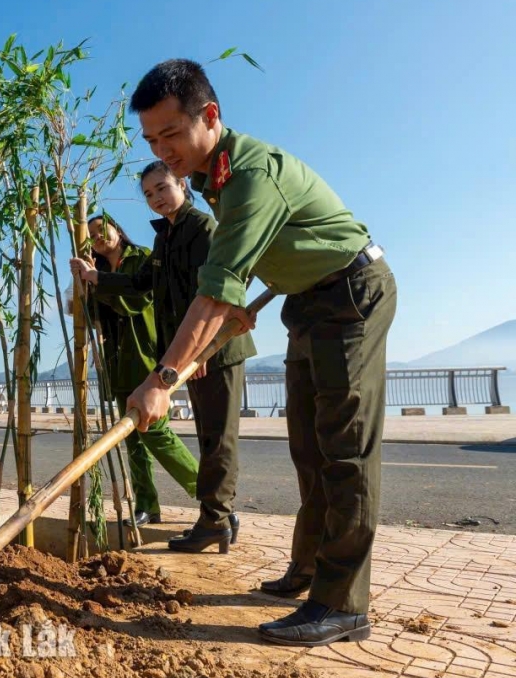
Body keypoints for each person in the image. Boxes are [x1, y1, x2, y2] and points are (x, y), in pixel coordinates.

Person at [122, 59, 396, 646]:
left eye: (171, 134)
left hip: (351, 294)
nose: (162, 150)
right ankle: (308, 571)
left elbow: (216, 286)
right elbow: (282, 244)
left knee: (345, 451)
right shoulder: (212, 178)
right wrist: (260, 299)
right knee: (309, 447)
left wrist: (162, 378)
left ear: (209, 116)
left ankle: (343, 604)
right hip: (307, 300)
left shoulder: (249, 176)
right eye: (150, 139)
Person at [75, 164, 257, 551]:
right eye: (149, 194)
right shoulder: (166, 237)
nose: (156, 198)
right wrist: (94, 280)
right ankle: (213, 519)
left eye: (162, 188)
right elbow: (143, 284)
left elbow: (216, 292)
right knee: (208, 437)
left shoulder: (203, 229)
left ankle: (219, 519)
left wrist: (201, 346)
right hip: (184, 354)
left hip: (212, 349)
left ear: (182, 185)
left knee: (218, 439)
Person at [82, 213, 199, 527]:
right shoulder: (99, 272)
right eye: (90, 234)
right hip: (118, 364)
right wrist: (87, 285)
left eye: (100, 228)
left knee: (157, 433)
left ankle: (211, 496)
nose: (97, 236)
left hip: (147, 360)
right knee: (134, 443)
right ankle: (147, 505)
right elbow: (91, 316)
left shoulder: (142, 259)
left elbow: (136, 300)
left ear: (117, 227)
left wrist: (97, 282)